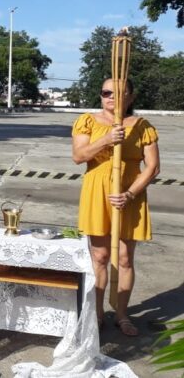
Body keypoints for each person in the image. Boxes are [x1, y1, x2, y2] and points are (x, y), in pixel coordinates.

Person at [72, 78, 159, 336]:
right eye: (106, 92)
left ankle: (122, 314)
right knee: (99, 256)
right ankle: (97, 315)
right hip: (97, 192)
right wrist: (107, 139)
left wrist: (130, 194)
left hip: (128, 195)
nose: (112, 97)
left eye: (119, 93)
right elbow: (79, 156)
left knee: (124, 258)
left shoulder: (143, 126)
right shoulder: (87, 121)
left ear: (131, 97)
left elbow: (153, 167)